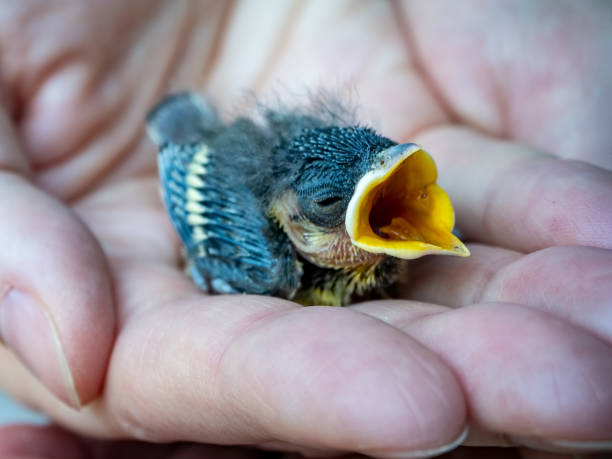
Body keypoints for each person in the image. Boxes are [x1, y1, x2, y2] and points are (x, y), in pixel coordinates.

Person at [0, 1, 611, 458]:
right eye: (324, 204)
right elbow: (195, 180)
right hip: (195, 144)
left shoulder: (382, 255)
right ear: (290, 220)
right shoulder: (271, 264)